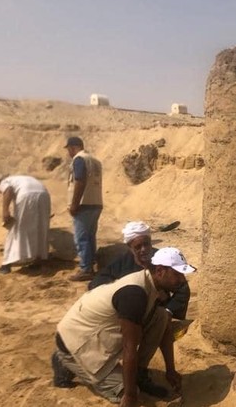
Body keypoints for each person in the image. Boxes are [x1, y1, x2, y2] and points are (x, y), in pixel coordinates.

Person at [52, 247, 196, 406]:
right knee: (126, 391)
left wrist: (170, 370)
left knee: (161, 317)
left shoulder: (153, 286)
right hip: (77, 343)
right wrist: (130, 395)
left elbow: (165, 329)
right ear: (160, 271)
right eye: (177, 274)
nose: (182, 280)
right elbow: (130, 348)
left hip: (98, 336)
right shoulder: (134, 294)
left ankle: (139, 374)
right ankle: (64, 362)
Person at [89, 221, 192, 390]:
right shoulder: (122, 264)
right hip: (129, 314)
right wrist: (120, 294)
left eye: (147, 244)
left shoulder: (163, 260)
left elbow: (183, 288)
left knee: (161, 320)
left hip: (157, 313)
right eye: (138, 246)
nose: (144, 249)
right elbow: (96, 283)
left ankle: (140, 370)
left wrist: (168, 309)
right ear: (130, 247)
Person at [64, 136, 103, 282]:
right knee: (90, 236)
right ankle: (90, 263)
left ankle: (86, 269)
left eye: (68, 149)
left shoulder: (79, 159)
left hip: (84, 204)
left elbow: (80, 181)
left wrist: (75, 204)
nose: (68, 152)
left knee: (81, 238)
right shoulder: (95, 160)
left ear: (73, 147)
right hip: (96, 203)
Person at [0, 175, 51, 274]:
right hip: (44, 194)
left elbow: (8, 190)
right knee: (42, 228)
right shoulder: (21, 178)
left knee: (16, 229)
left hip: (26, 194)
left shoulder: (4, 182)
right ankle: (41, 261)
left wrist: (5, 211)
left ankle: (6, 265)